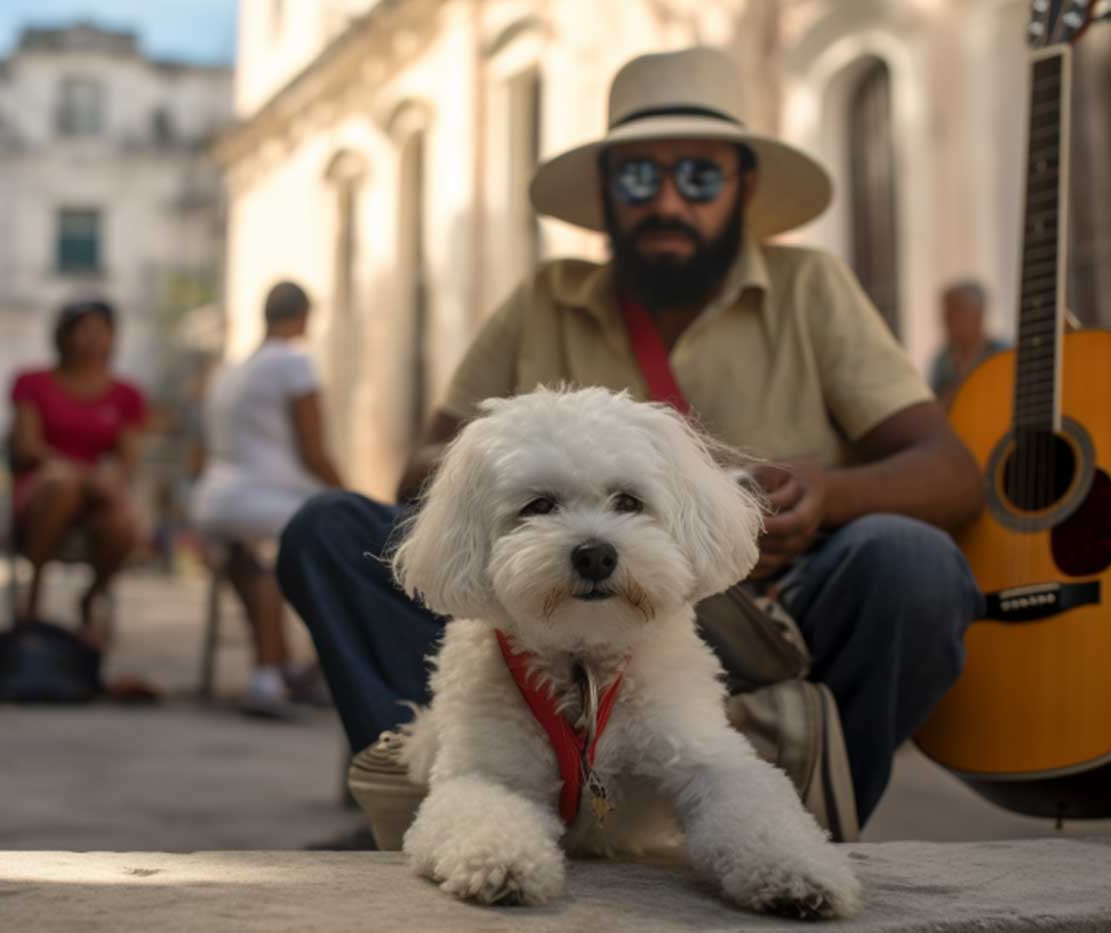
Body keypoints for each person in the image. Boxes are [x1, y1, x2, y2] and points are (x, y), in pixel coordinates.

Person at [277, 48, 985, 833]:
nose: (669, 201)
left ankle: (810, 816)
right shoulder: (545, 298)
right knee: (327, 532)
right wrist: (505, 459)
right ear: (608, 192)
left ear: (744, 186)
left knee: (915, 563)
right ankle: (441, 791)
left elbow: (950, 471)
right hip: (543, 613)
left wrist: (830, 494)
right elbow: (424, 470)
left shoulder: (812, 286)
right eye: (641, 178)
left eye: (701, 177)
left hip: (775, 606)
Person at [191, 282, 345, 718]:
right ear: (304, 318)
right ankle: (291, 673)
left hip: (216, 499)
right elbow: (315, 452)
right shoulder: (294, 364)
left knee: (250, 566)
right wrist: (350, 495)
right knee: (337, 543)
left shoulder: (232, 369)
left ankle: (274, 670)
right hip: (266, 501)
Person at [8, 299, 148, 646]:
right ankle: (33, 597)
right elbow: (27, 446)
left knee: (125, 523)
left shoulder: (127, 394)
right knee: (61, 483)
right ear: (64, 335)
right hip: (42, 487)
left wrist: (107, 479)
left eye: (101, 330)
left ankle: (92, 595)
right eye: (83, 329)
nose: (92, 339)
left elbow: (128, 460)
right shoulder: (33, 383)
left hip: (95, 496)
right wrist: (83, 473)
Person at [928, 281, 1008, 407]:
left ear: (978, 315)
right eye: (946, 312)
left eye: (956, 311)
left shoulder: (1003, 355)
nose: (947, 319)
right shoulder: (942, 359)